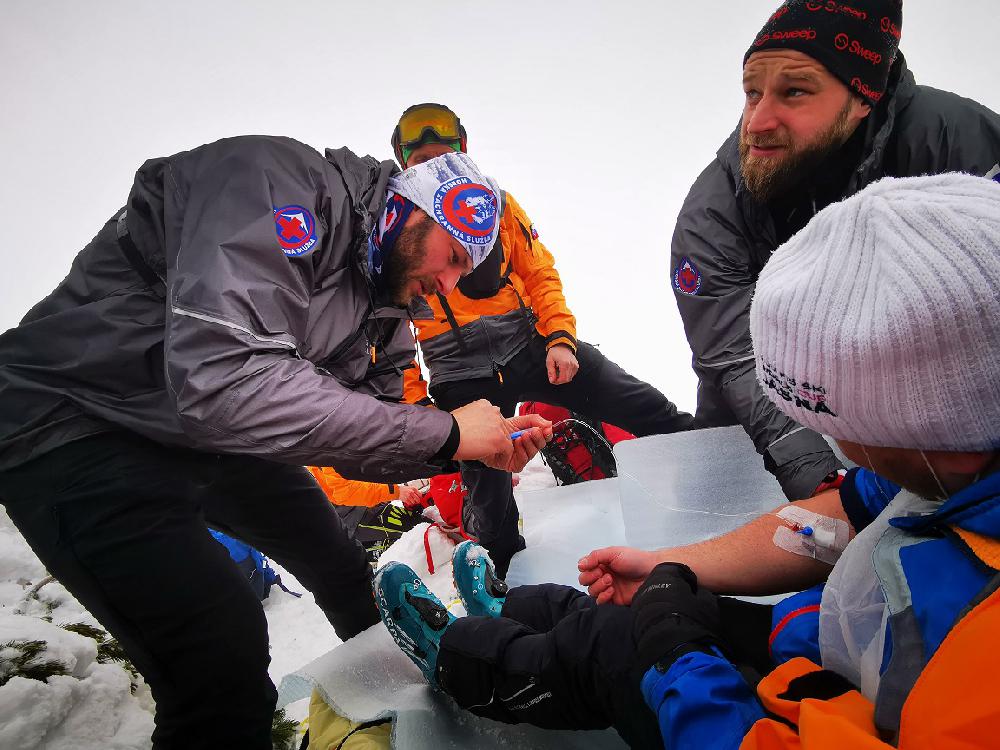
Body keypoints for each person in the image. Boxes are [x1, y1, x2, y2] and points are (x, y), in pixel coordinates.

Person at [374, 172, 1000, 748]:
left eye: (836, 419)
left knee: (617, 650)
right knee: (607, 610)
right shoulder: (937, 472)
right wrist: (672, 565)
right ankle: (510, 616)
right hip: (818, 639)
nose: (827, 439)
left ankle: (464, 660)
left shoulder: (979, 660)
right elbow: (837, 520)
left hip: (790, 710)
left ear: (930, 417)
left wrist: (679, 659)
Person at [0, 137, 551, 750]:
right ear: (412, 211)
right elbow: (224, 377)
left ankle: (413, 713)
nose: (446, 286)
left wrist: (474, 447)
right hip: (77, 420)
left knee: (343, 568)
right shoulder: (276, 184)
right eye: (451, 259)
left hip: (201, 432)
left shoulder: (383, 305)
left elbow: (370, 436)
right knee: (219, 654)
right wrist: (448, 431)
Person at [671, 0, 1000, 500]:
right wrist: (821, 483)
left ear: (865, 95)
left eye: (794, 91)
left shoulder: (960, 142)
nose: (756, 122)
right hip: (766, 414)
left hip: (945, 422)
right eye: (752, 92)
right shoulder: (714, 209)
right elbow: (734, 353)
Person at [392, 103, 694, 574]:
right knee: (489, 497)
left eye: (443, 154)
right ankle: (504, 580)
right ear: (403, 162)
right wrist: (418, 404)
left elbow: (539, 273)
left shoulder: (495, 203)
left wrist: (560, 338)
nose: (433, 165)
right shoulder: (396, 227)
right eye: (421, 159)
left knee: (641, 402)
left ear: (463, 149)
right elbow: (391, 328)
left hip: (526, 343)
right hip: (458, 373)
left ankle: (721, 466)